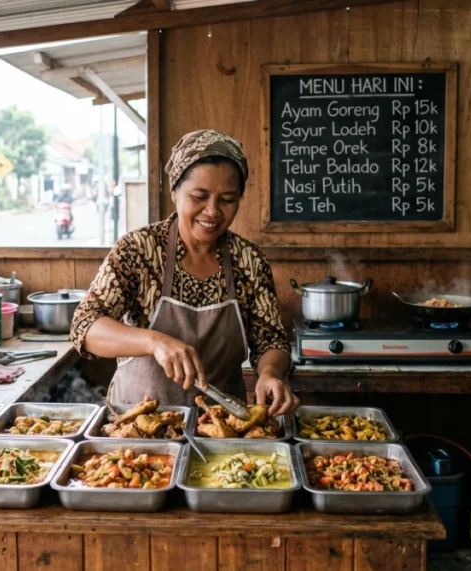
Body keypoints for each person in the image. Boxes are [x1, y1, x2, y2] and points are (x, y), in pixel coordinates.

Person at [70, 130, 300, 415]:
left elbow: (271, 340)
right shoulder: (139, 250)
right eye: (199, 196)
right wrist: (152, 341)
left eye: (227, 199)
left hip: (222, 428)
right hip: (137, 425)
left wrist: (270, 374)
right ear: (174, 192)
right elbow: (85, 326)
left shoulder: (249, 260)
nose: (213, 211)